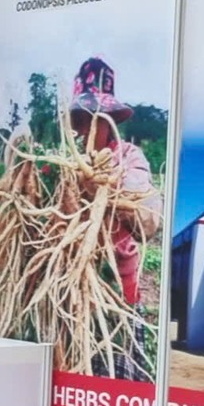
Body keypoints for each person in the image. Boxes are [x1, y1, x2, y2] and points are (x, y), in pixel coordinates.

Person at [68, 57, 160, 309]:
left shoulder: (129, 156)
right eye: (78, 120)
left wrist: (107, 183)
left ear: (108, 120)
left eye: (92, 119)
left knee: (122, 329)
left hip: (119, 282)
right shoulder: (65, 163)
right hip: (71, 280)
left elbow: (150, 222)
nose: (84, 130)